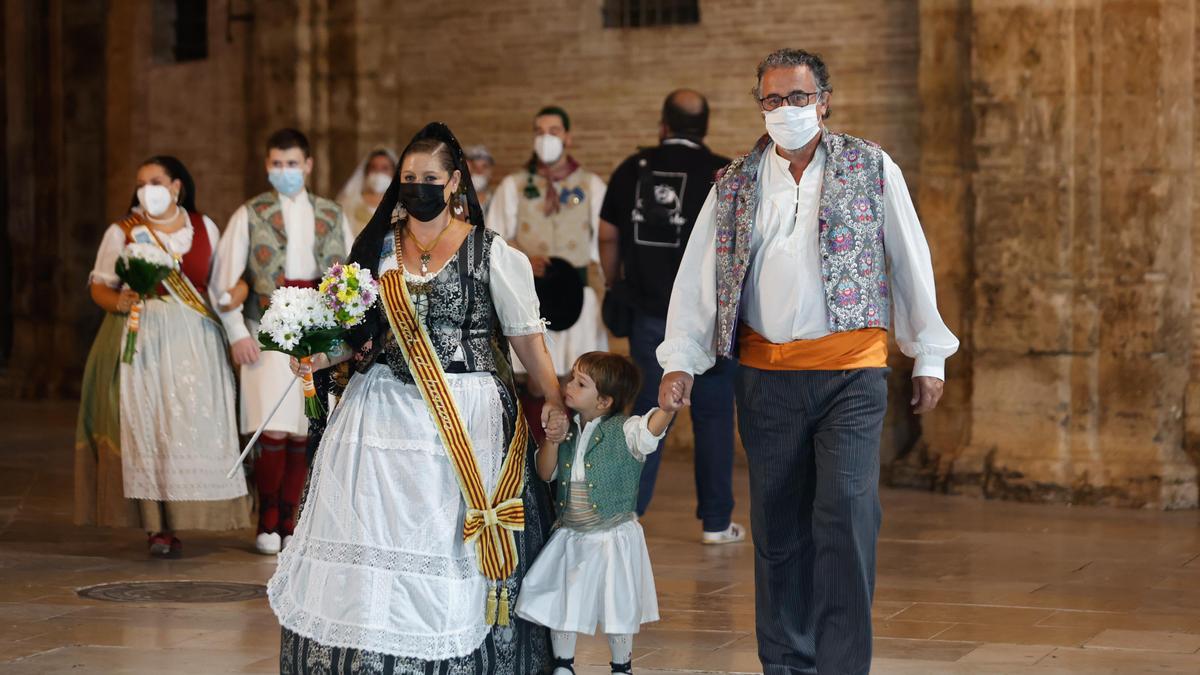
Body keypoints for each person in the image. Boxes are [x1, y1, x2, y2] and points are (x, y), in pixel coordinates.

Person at [657, 49, 960, 674]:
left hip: (851, 373)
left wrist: (928, 352)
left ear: (823, 101)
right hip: (767, 379)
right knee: (778, 528)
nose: (785, 110)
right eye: (771, 100)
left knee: (847, 514)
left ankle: (843, 665)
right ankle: (788, 663)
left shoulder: (870, 167)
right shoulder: (735, 182)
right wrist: (680, 358)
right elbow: (699, 277)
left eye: (797, 98)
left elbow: (909, 258)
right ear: (759, 105)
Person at [267, 122, 561, 674]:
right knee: (374, 534)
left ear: (454, 182)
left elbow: (526, 339)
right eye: (409, 178)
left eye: (430, 177)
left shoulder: (491, 253)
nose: (418, 186)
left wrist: (554, 398)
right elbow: (359, 333)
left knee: (448, 539)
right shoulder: (378, 248)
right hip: (381, 413)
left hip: (467, 415)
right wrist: (317, 354)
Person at [75, 155, 250, 557]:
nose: (146, 189)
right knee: (151, 428)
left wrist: (234, 296)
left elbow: (228, 281)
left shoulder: (204, 227)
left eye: (155, 181)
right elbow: (99, 286)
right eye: (140, 183)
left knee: (193, 426)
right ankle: (157, 528)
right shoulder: (123, 232)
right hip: (146, 339)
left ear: (176, 187)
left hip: (198, 341)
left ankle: (195, 514)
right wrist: (120, 301)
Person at [597, 89, 743, 544]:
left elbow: (606, 235)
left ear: (663, 125)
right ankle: (717, 524)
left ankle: (629, 512)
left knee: (650, 408)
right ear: (705, 128)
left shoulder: (632, 169)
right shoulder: (724, 173)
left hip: (650, 313)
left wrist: (612, 281)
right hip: (713, 320)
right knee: (716, 417)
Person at [210, 128, 353, 556]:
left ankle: (291, 518)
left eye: (292, 164)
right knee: (269, 428)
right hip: (267, 326)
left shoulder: (332, 214)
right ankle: (266, 516)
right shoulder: (249, 214)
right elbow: (224, 282)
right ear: (267, 166)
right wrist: (237, 333)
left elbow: (348, 276)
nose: (284, 171)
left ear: (308, 166)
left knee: (302, 428)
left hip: (316, 329)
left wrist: (343, 334)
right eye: (276, 164)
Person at [517, 352, 675, 675]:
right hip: (573, 532)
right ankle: (563, 663)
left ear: (603, 401)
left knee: (618, 603)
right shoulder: (568, 429)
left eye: (580, 383)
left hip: (611, 533)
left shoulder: (625, 431)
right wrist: (552, 439)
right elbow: (545, 473)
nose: (567, 385)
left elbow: (650, 430)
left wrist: (669, 409)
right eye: (572, 377)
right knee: (563, 599)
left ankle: (621, 665)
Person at [487, 106, 608, 435]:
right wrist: (523, 255)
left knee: (579, 375)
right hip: (530, 296)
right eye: (539, 131)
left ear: (568, 137)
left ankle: (575, 455)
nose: (546, 138)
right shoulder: (514, 186)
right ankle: (534, 450)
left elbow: (605, 241)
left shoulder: (591, 185)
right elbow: (493, 239)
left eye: (553, 131)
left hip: (574, 297)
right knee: (535, 379)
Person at [336, 147, 399, 237]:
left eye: (385, 168)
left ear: (394, 172)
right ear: (366, 172)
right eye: (373, 168)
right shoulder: (349, 203)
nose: (378, 173)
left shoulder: (402, 204)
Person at [464, 144, 496, 212]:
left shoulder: (497, 200)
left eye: (484, 167)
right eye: (474, 167)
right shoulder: (455, 201)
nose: (479, 172)